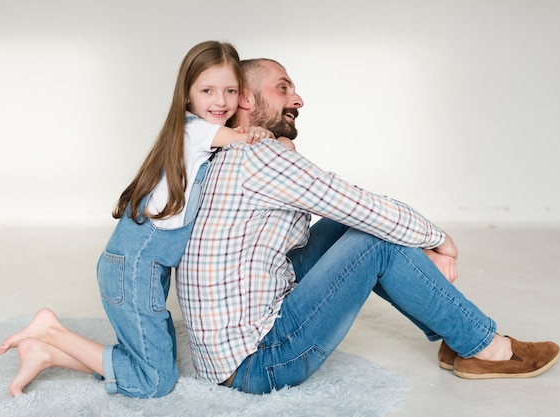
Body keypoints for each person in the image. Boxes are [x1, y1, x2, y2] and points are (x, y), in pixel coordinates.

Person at [175, 58, 559, 394]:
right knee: (377, 238)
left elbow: (337, 211)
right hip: (257, 365)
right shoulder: (262, 158)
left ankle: (454, 333)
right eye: (283, 88)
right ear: (245, 98)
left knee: (343, 226)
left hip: (231, 349)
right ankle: (486, 347)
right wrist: (441, 239)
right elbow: (362, 206)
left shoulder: (227, 150)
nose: (298, 100)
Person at [0, 41, 290, 398]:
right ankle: (53, 333)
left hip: (145, 269)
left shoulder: (195, 136)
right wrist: (263, 133)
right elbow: (244, 140)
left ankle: (48, 351)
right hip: (134, 269)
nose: (221, 101)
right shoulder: (196, 131)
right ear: (186, 96)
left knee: (156, 357)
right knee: (156, 381)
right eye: (207, 90)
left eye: (229, 91)